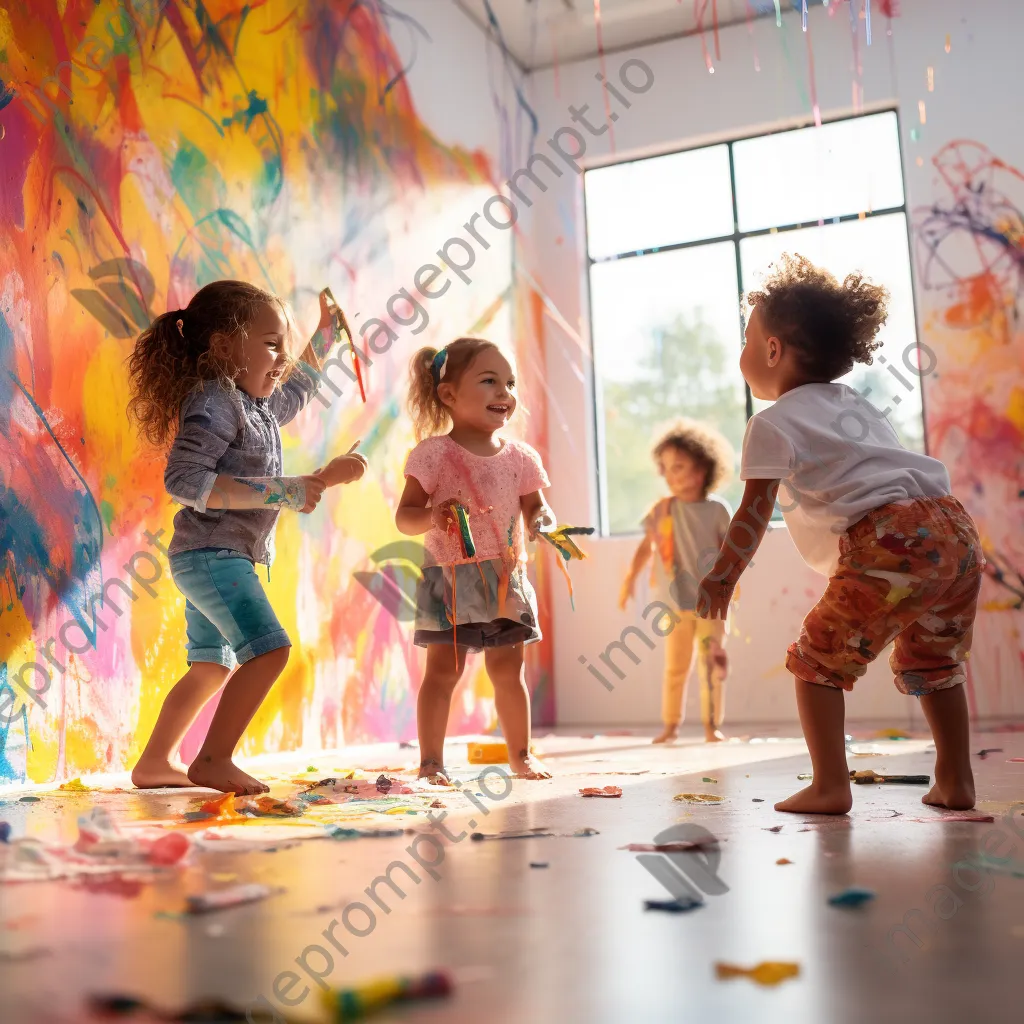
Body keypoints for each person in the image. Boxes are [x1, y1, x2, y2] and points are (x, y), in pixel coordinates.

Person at [697, 254, 983, 814]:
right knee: (934, 663)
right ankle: (955, 780)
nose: (744, 354)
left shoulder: (771, 423)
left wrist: (722, 576)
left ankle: (831, 785)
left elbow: (754, 513)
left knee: (816, 661)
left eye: (748, 340)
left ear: (772, 350)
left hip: (893, 537)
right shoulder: (856, 404)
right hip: (955, 530)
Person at [127, 281, 366, 795]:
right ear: (223, 347)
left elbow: (297, 388)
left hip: (210, 558)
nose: (280, 358)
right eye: (271, 344)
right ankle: (213, 759)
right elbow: (185, 480)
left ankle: (153, 763)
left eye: (283, 344)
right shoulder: (215, 402)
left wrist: (326, 337)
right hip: (213, 558)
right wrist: (286, 491)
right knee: (269, 651)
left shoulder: (252, 404)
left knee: (211, 666)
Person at [396, 338, 555, 783]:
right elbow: (405, 518)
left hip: (507, 577)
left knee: (508, 670)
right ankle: (431, 762)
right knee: (443, 671)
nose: (504, 392)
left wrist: (545, 522)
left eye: (510, 383)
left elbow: (534, 508)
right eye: (489, 381)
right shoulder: (432, 454)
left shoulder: (521, 457)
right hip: (449, 580)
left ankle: (521, 755)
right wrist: (432, 516)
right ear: (448, 395)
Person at [620, 420, 734, 744]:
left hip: (711, 604)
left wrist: (729, 588)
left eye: (680, 467)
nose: (671, 475)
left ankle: (713, 726)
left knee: (712, 665)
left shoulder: (717, 510)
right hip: (674, 604)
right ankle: (671, 725)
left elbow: (733, 553)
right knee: (676, 667)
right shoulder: (663, 510)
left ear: (703, 470)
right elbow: (646, 548)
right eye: (666, 469)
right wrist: (630, 579)